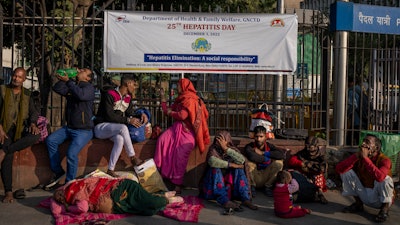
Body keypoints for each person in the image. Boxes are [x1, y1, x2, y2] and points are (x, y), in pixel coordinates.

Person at [154, 78, 210, 194]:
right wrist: (163, 98)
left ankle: (177, 185)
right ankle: (158, 171)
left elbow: (183, 115)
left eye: (178, 85)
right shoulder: (180, 99)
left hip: (187, 134)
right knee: (162, 140)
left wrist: (171, 113)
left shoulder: (190, 99)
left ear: (184, 86)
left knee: (180, 157)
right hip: (176, 130)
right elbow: (167, 111)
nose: (177, 87)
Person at [45, 68, 95, 189]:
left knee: (71, 154)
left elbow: (81, 95)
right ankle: (58, 171)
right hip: (69, 128)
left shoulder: (89, 88)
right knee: (51, 141)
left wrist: (69, 82)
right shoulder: (73, 86)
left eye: (83, 70)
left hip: (84, 131)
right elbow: (57, 88)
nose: (79, 70)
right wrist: (64, 79)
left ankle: (69, 184)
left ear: (88, 78)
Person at [0, 67, 41, 203]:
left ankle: (5, 150)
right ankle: (8, 191)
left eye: (19, 77)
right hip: (4, 129)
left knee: (35, 136)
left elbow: (33, 112)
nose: (16, 79)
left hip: (20, 128)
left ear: (24, 80)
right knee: (8, 154)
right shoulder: (3, 90)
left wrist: (33, 124)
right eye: (14, 76)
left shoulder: (27, 94)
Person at [94, 74, 146, 177]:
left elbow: (129, 113)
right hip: (101, 127)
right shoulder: (110, 94)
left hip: (113, 130)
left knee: (120, 140)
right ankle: (133, 157)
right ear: (128, 83)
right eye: (134, 85)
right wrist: (128, 120)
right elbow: (109, 116)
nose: (134, 87)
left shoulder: (128, 97)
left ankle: (110, 169)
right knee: (123, 127)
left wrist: (141, 114)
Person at [50, 176, 183, 216]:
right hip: (119, 195)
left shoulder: (76, 196)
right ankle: (162, 195)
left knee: (148, 202)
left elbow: (82, 208)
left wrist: (67, 208)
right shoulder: (74, 184)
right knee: (145, 209)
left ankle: (165, 199)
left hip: (120, 191)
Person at [336, 134, 394, 223]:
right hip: (363, 193)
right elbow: (339, 169)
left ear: (376, 148)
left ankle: (384, 210)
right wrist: (355, 157)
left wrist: (366, 159)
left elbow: (380, 177)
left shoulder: (384, 160)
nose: (363, 144)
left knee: (386, 179)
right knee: (346, 172)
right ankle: (358, 204)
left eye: (367, 142)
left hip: (379, 199)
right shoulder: (359, 157)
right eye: (363, 141)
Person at [200, 130, 258, 212]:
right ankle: (224, 201)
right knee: (215, 168)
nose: (218, 141)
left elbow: (242, 161)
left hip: (229, 185)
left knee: (239, 168)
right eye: (217, 139)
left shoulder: (232, 149)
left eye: (221, 139)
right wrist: (231, 165)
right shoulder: (213, 149)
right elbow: (212, 161)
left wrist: (226, 149)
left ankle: (245, 199)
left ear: (227, 140)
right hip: (215, 186)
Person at [243, 125, 285, 197]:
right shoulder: (249, 146)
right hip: (255, 176)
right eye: (256, 136)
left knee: (279, 163)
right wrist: (268, 159)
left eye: (261, 137)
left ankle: (268, 187)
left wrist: (263, 153)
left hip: (267, 176)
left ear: (265, 137)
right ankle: (252, 187)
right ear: (254, 137)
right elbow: (252, 157)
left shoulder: (269, 146)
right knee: (249, 163)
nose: (258, 139)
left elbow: (281, 155)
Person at [287, 136, 328, 204]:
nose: (307, 148)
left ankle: (320, 193)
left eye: (310, 147)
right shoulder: (302, 153)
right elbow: (291, 161)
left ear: (315, 146)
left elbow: (323, 169)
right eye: (306, 146)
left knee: (319, 176)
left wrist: (312, 168)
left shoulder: (320, 157)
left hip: (315, 177)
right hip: (304, 175)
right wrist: (301, 163)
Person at [347, 76, 370, 145]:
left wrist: (347, 114)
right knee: (358, 138)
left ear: (352, 83)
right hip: (363, 119)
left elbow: (353, 105)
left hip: (356, 119)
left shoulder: (352, 91)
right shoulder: (361, 90)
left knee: (351, 139)